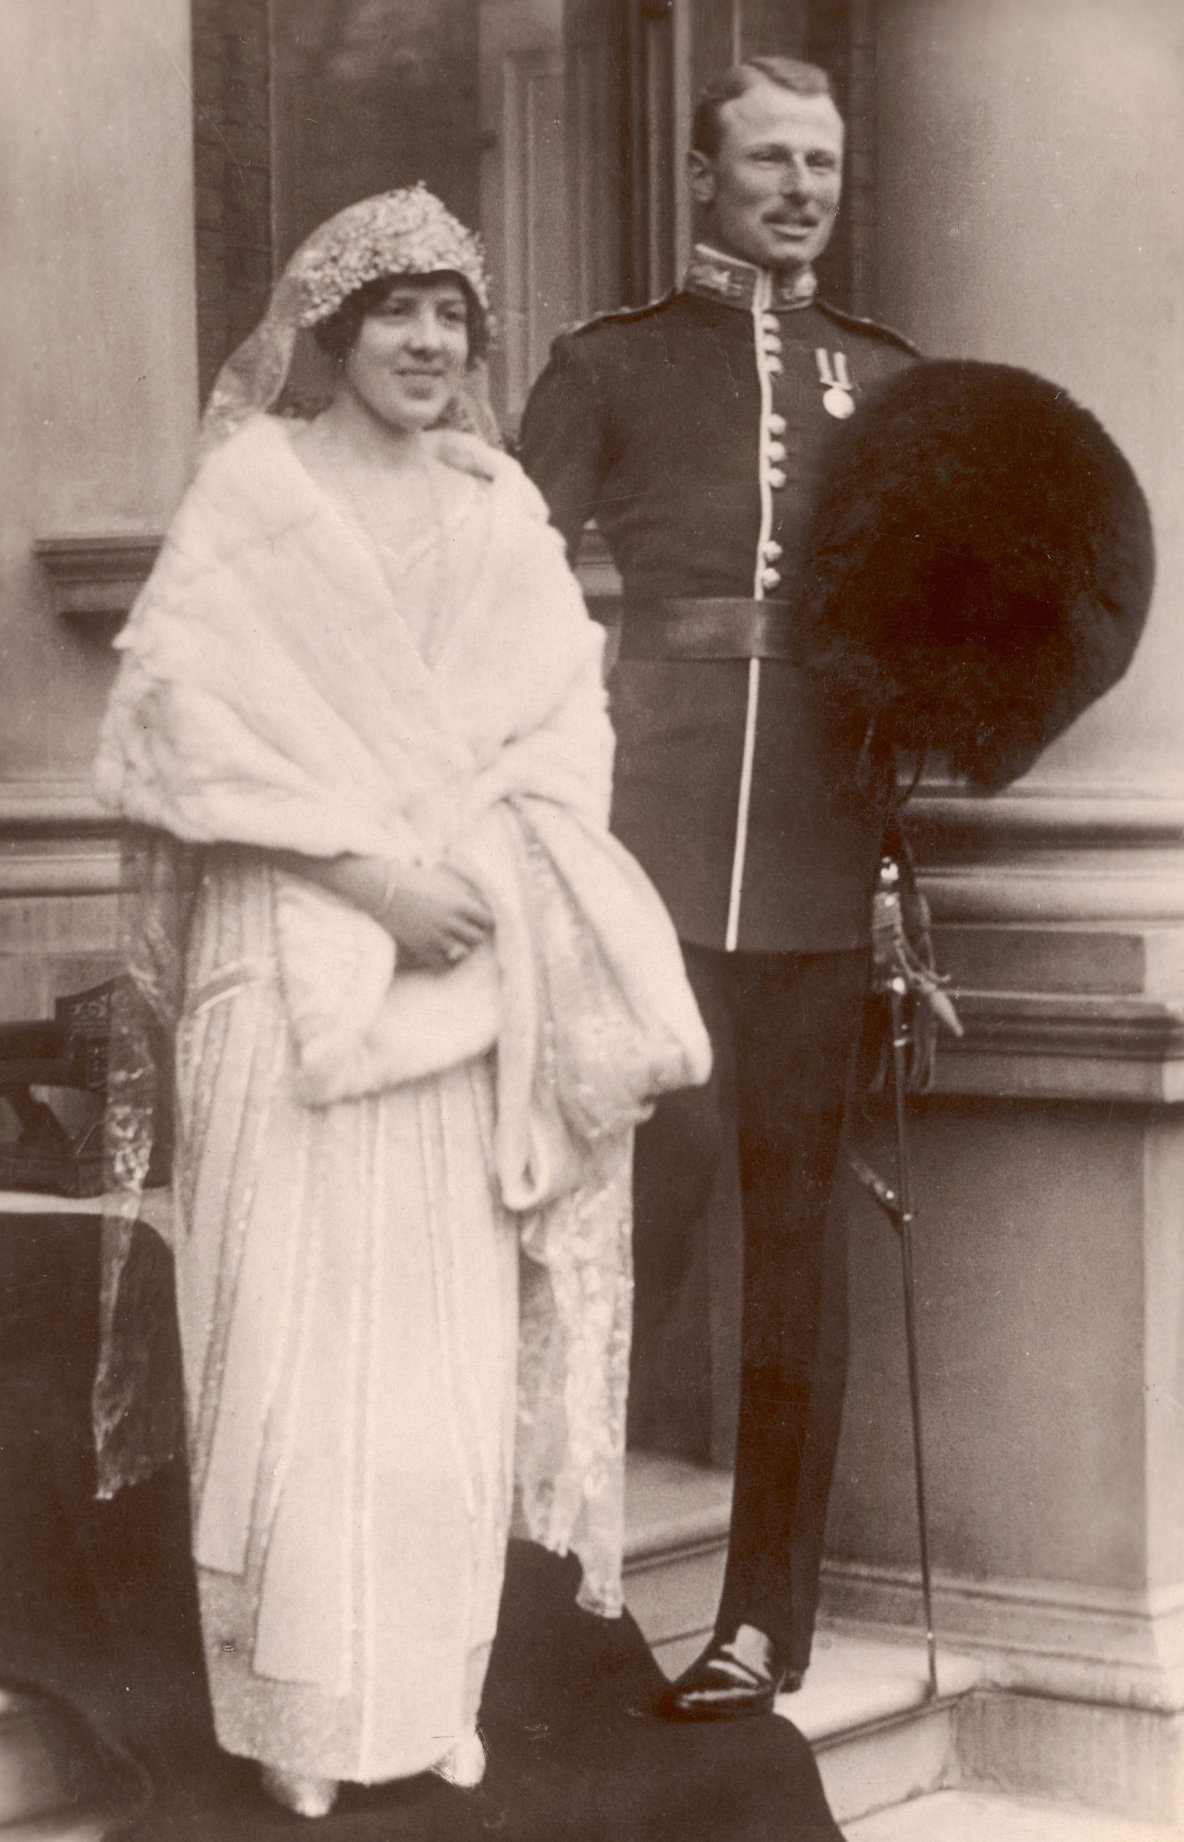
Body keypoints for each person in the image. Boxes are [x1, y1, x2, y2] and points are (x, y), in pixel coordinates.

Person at [93, 186, 709, 1816]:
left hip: (457, 981)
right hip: (280, 960)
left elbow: (566, 736)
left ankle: (426, 1689)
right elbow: (172, 734)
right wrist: (368, 877)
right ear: (333, 330)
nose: (431, 344)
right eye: (397, 315)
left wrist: (472, 877)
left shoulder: (501, 509)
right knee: (290, 1344)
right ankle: (299, 1708)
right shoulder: (252, 496)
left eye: (453, 317)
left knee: (433, 1357)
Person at [519, 58, 919, 1718]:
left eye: (822, 161)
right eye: (768, 158)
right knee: (634, 1223)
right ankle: (549, 1586)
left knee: (800, 1247)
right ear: (703, 178)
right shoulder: (610, 361)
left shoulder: (889, 381)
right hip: (648, 858)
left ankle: (766, 1621)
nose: (801, 186)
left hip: (827, 863)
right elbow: (503, 587)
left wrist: (896, 862)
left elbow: (917, 633)